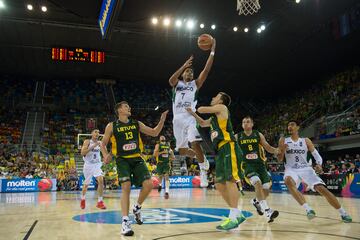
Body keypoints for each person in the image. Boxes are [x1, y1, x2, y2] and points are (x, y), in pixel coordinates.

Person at [101, 101, 168, 236]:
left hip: (137, 158)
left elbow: (154, 132)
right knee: (126, 186)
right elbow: (103, 144)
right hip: (122, 159)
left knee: (149, 184)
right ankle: (125, 222)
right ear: (119, 110)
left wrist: (162, 120)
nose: (129, 108)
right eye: (126, 106)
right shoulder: (111, 126)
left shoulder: (136, 123)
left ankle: (137, 207)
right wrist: (105, 155)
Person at [186, 92, 246, 231]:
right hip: (219, 150)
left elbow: (202, 109)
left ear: (221, 100)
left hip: (228, 146)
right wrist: (192, 113)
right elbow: (201, 123)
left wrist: (195, 107)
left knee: (230, 181)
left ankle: (233, 216)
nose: (212, 97)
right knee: (219, 184)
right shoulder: (214, 118)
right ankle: (237, 214)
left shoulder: (222, 108)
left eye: (215, 96)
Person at [278, 120, 352, 223]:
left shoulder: (305, 140)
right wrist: (282, 150)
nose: (289, 127)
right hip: (291, 169)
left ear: (298, 127)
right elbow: (280, 159)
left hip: (306, 169)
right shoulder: (283, 140)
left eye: (292, 125)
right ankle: (308, 209)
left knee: (322, 189)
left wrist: (319, 164)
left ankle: (343, 213)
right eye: (288, 125)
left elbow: (316, 154)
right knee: (288, 181)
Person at [168, 39, 217, 187]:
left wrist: (212, 51)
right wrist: (184, 65)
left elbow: (206, 70)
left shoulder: (195, 84)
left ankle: (203, 172)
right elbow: (171, 80)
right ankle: (203, 159)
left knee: (195, 142)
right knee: (182, 151)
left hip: (190, 117)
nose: (189, 72)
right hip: (177, 119)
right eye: (187, 71)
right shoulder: (177, 84)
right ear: (183, 74)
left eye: (191, 71)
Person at [235, 116, 279, 222]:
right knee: (257, 182)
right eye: (244, 122)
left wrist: (276, 150)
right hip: (247, 165)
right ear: (242, 125)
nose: (246, 123)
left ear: (252, 124)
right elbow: (231, 149)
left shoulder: (258, 134)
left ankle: (256, 201)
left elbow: (267, 147)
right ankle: (268, 211)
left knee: (266, 189)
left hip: (260, 165)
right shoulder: (237, 136)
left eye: (248, 121)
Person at [79, 129, 106, 210]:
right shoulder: (87, 142)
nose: (97, 133)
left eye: (98, 132)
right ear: (91, 134)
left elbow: (105, 153)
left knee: (101, 180)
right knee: (86, 185)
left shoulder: (100, 143)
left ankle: (100, 202)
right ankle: (83, 199)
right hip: (88, 165)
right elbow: (82, 153)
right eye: (95, 132)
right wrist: (94, 145)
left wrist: (106, 157)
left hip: (97, 165)